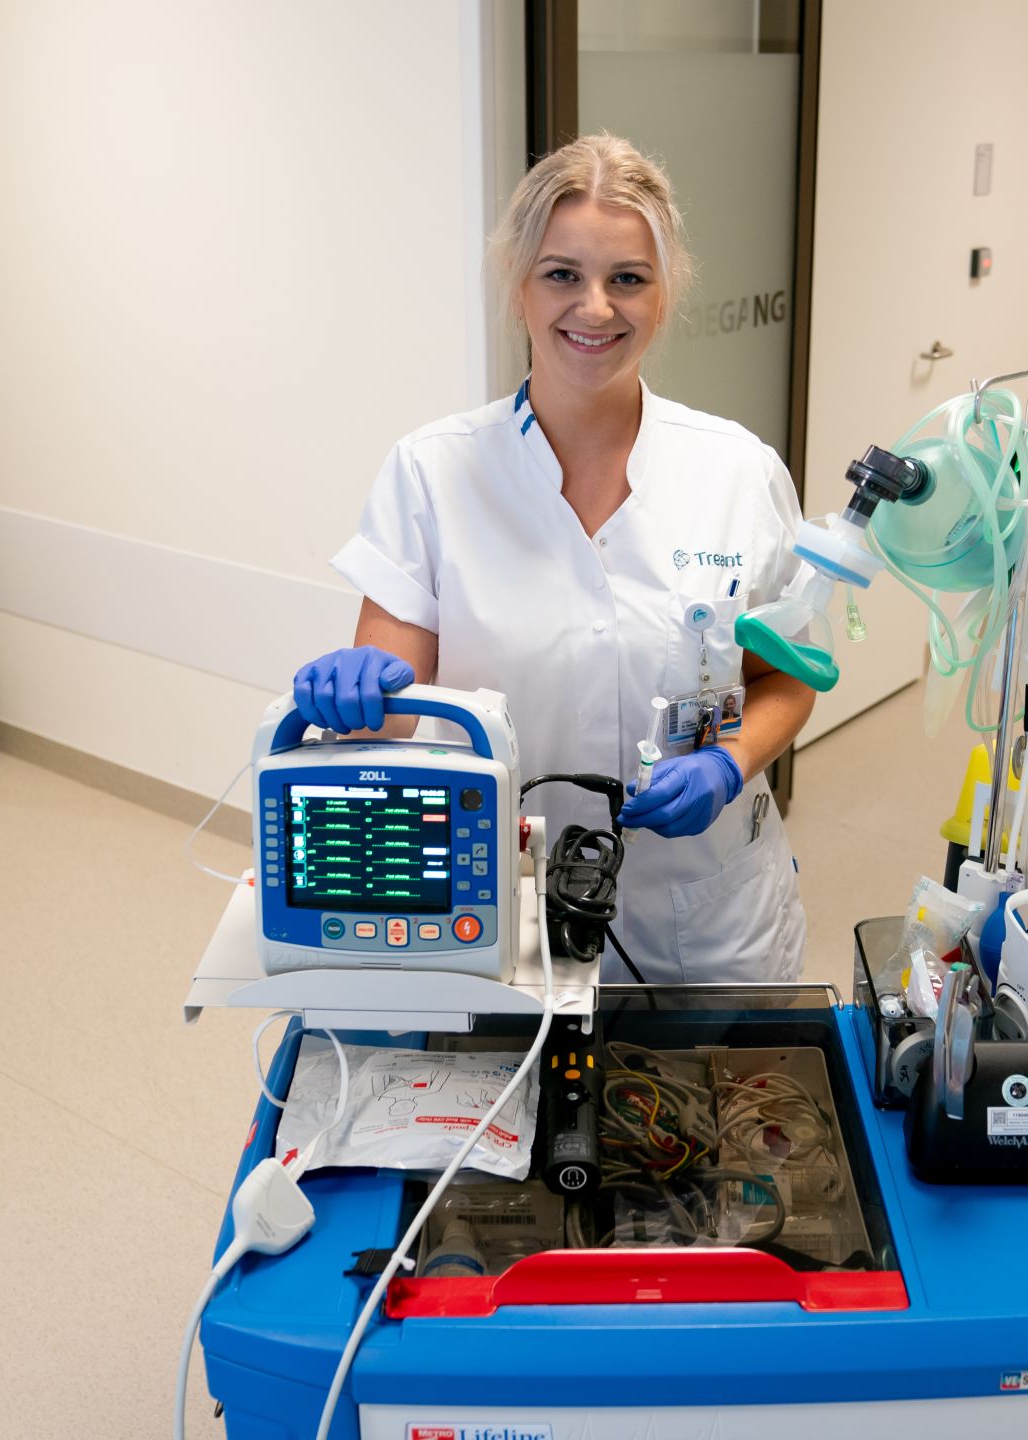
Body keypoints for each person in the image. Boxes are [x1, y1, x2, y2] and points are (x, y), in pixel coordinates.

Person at [294, 134, 813, 984]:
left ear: (667, 289)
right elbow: (391, 711)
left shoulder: (738, 472)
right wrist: (351, 696)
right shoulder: (433, 472)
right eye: (563, 274)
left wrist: (730, 762)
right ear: (519, 285)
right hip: (502, 901)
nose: (596, 308)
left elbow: (785, 680)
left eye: (628, 279)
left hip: (708, 917)